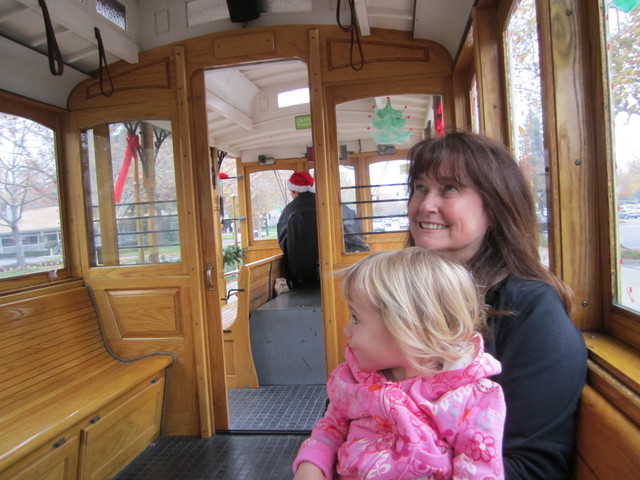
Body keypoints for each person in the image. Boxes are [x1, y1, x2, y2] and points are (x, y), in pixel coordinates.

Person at [405, 130, 587, 479]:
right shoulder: (403, 294)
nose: (425, 204)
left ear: (495, 206)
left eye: (449, 188)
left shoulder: (530, 310)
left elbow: (533, 467)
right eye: (420, 187)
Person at [293, 247, 506, 480]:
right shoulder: (353, 380)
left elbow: (478, 471)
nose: (346, 330)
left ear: (406, 329)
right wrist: (310, 466)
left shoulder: (470, 400)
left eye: (356, 318)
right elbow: (330, 429)